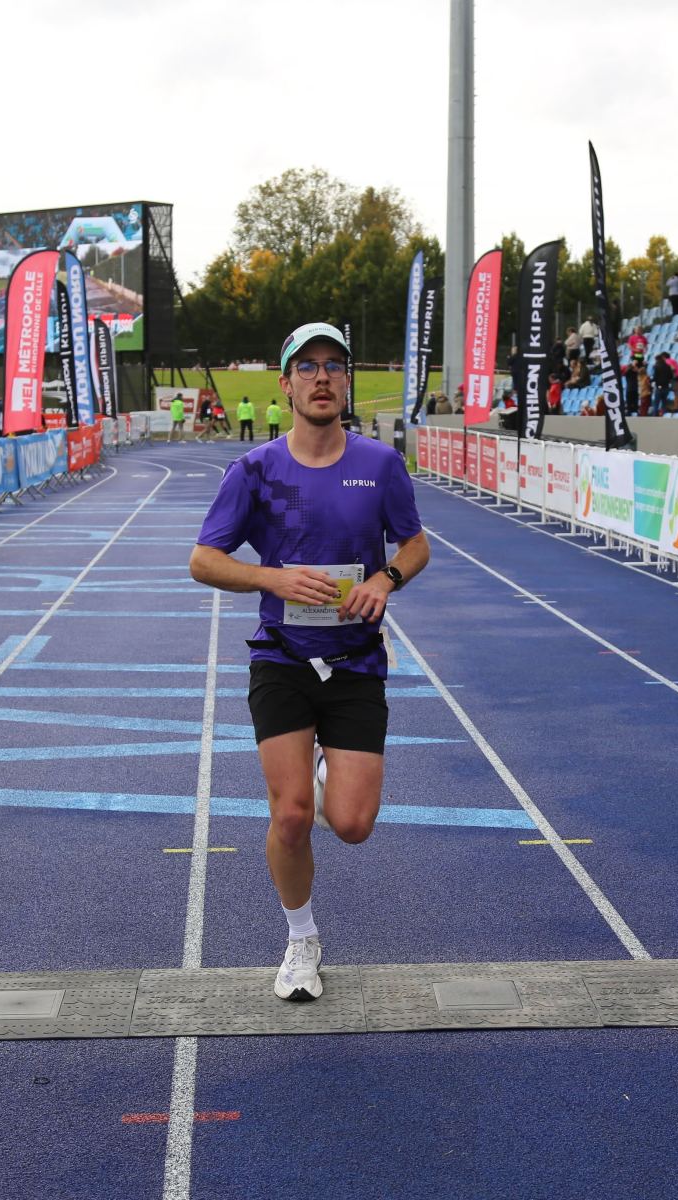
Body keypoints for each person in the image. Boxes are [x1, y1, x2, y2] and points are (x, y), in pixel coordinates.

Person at [189, 321, 429, 1003]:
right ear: (286, 384)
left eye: (334, 365)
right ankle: (301, 940)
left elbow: (414, 545)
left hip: (355, 662)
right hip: (284, 659)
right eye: (307, 366)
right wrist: (274, 578)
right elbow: (203, 560)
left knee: (352, 825)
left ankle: (325, 767)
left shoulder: (380, 464)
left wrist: (385, 580)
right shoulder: (255, 470)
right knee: (291, 816)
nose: (322, 377)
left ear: (346, 382)